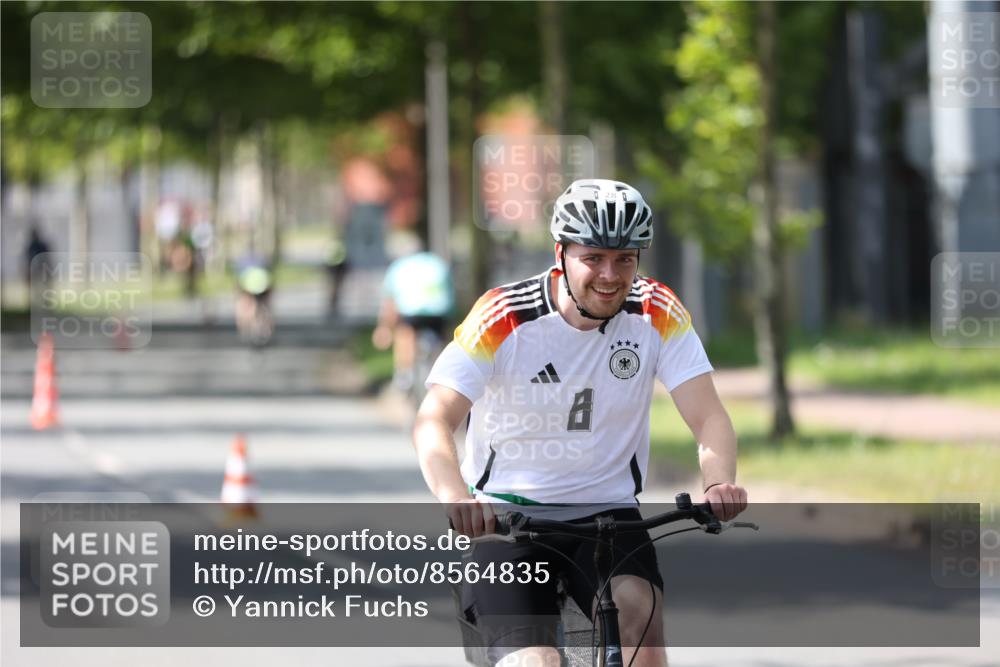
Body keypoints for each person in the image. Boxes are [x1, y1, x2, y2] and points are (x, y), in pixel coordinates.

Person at [413, 179, 747, 667]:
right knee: (536, 662)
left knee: (643, 629)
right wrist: (455, 498)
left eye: (625, 259)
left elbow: (709, 415)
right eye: (593, 258)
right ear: (561, 254)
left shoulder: (656, 311)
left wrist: (719, 482)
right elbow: (433, 419)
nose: (610, 275)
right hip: (509, 521)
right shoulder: (505, 316)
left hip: (609, 514)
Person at [373, 235, 455, 393]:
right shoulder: (437, 263)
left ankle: (404, 373)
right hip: (440, 313)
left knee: (404, 333)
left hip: (412, 313)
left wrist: (383, 328)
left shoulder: (398, 266)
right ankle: (442, 370)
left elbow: (390, 303)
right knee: (441, 340)